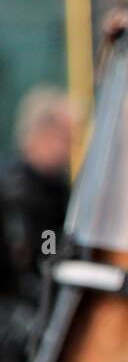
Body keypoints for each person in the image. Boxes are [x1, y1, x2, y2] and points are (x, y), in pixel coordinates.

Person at [0, 85, 75, 302]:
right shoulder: (13, 193)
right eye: (65, 138)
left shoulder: (56, 190)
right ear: (41, 134)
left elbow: (49, 249)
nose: (69, 149)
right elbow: (34, 258)